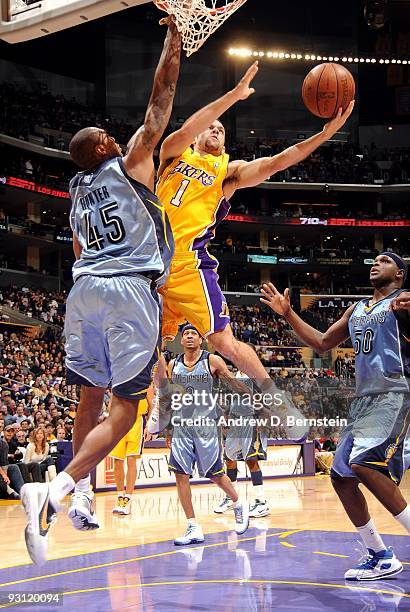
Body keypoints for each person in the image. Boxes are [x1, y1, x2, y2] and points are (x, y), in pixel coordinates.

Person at [20, 18, 182, 566]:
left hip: (83, 289)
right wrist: (174, 39)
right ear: (109, 145)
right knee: (128, 408)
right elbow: (160, 98)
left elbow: (75, 245)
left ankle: (83, 493)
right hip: (127, 288)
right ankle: (59, 488)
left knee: (91, 396)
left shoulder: (76, 187)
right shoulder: (132, 161)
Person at [156, 61, 354, 438]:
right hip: (149, 267)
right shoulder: (172, 153)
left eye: (220, 129)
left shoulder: (227, 172)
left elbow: (278, 162)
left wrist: (325, 134)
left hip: (187, 265)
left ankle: (275, 400)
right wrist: (231, 97)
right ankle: (159, 404)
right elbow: (186, 128)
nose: (214, 128)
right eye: (209, 126)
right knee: (144, 346)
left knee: (224, 344)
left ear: (226, 144)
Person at [260, 252, 410, 581]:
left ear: (399, 274)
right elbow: (322, 342)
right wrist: (288, 314)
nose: (375, 262)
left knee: (364, 464)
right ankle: (380, 554)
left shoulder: (403, 301)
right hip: (363, 402)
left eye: (385, 260)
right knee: (341, 476)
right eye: (373, 259)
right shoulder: (356, 309)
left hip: (394, 393)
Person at [165, 324, 249, 546]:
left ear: (201, 340)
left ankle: (239, 503)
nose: (190, 337)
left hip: (206, 425)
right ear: (181, 341)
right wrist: (167, 428)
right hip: (181, 425)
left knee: (215, 474)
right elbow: (169, 398)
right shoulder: (173, 365)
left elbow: (231, 382)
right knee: (180, 475)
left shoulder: (212, 361)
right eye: (186, 334)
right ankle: (193, 526)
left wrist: (253, 396)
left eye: (194, 334)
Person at [215, 363, 269, 518]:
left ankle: (261, 502)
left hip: (251, 419)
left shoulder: (257, 373)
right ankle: (232, 498)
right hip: (235, 421)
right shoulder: (234, 375)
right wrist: (226, 415)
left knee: (251, 460)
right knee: (229, 458)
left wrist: (260, 420)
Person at [108, 389, 151, 516]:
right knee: (117, 460)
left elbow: (152, 405)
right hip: (119, 421)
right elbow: (111, 405)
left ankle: (128, 498)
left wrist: (150, 424)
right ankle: (120, 496)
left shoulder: (145, 382)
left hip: (137, 421)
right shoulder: (120, 379)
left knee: (131, 459)